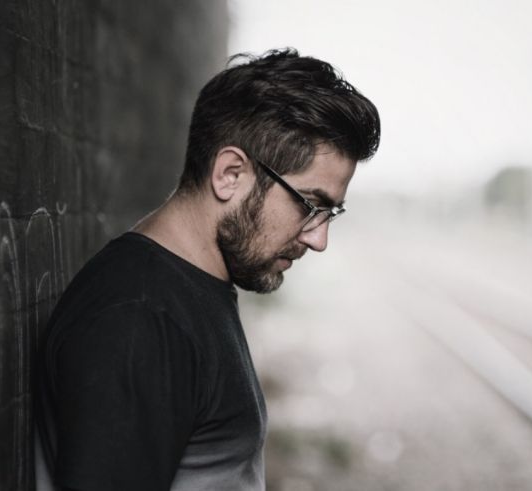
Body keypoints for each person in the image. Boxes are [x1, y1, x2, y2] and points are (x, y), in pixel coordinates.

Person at [34, 48, 380, 491]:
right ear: (230, 174)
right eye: (310, 206)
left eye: (330, 215)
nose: (319, 238)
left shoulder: (188, 290)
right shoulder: (140, 319)